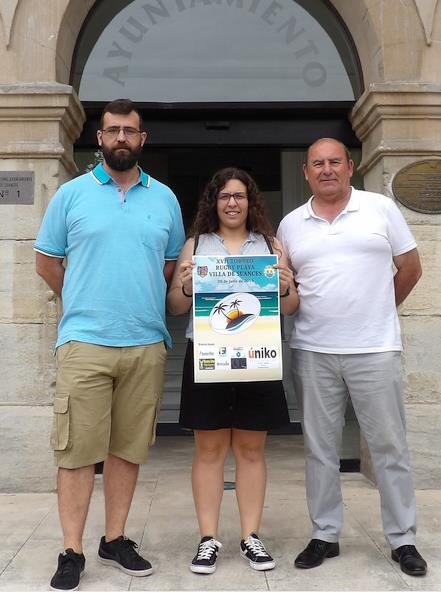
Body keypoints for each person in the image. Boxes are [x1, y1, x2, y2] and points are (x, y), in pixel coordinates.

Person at [35, 98, 185, 591]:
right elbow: (47, 263)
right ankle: (72, 549)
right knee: (76, 451)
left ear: (143, 140)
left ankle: (115, 539)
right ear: (99, 138)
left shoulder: (164, 198)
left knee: (127, 449)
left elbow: (169, 268)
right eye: (113, 130)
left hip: (145, 342)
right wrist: (84, 298)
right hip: (85, 342)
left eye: (131, 131)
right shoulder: (71, 195)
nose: (122, 138)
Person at [277, 138, 427, 577]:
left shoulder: (380, 209)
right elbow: (289, 290)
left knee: (390, 447)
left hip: (375, 349)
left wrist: (377, 309)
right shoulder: (290, 224)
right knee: (319, 449)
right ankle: (325, 534)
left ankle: (403, 540)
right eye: (318, 164)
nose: (327, 170)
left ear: (351, 167)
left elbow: (411, 268)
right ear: (306, 171)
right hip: (312, 351)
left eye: (334, 162)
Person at [167, 167, 299, 574]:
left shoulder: (271, 246)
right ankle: (208, 539)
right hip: (208, 356)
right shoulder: (196, 245)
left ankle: (250, 536)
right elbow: (174, 306)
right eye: (225, 196)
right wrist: (187, 285)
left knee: (250, 450)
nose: (232, 203)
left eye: (239, 196)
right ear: (214, 201)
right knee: (208, 451)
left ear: (250, 201)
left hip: (257, 356)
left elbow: (292, 306)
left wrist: (284, 285)